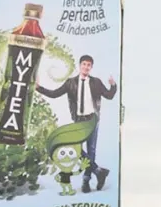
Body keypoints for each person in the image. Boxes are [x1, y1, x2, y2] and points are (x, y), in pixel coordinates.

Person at [34, 54, 117, 193]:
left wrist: (113, 85)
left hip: (92, 119)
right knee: (76, 149)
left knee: (91, 150)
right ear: (80, 66)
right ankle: (98, 171)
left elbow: (109, 95)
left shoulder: (96, 82)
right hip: (78, 120)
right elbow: (55, 93)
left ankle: (86, 181)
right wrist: (38, 87)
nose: (86, 67)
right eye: (84, 64)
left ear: (91, 68)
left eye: (89, 65)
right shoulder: (70, 82)